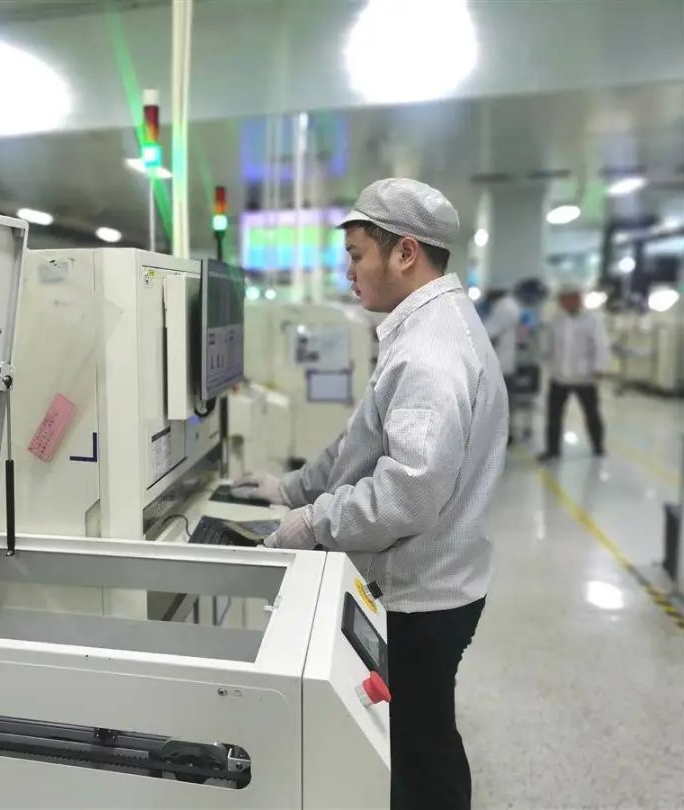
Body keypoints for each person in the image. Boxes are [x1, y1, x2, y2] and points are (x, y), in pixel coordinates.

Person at [233, 178, 508, 810]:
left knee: (419, 751)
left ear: (405, 252)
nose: (348, 270)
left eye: (357, 255)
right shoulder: (427, 328)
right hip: (440, 578)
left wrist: (313, 522)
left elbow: (407, 491)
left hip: (421, 595)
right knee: (418, 738)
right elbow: (364, 437)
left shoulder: (430, 353)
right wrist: (292, 488)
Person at [537, 288, 611, 461]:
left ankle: (598, 446)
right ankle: (552, 450)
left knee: (591, 413)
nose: (566, 303)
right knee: (554, 416)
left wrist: (599, 368)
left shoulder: (593, 320)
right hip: (559, 377)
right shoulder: (556, 320)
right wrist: (547, 363)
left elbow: (601, 345)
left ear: (578, 300)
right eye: (563, 300)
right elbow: (549, 345)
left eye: (570, 299)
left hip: (584, 377)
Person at [482, 288, 522, 442]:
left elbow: (488, 333)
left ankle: (500, 437)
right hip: (503, 365)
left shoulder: (505, 308)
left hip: (500, 367)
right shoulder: (507, 306)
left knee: (498, 406)